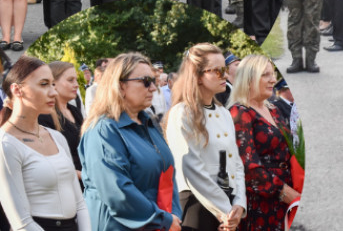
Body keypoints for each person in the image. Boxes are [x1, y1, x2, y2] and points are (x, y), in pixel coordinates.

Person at [78, 53, 182, 231]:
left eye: (154, 81)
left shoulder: (148, 123)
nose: (153, 88)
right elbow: (117, 191)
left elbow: (168, 174)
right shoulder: (103, 130)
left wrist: (173, 216)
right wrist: (163, 219)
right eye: (146, 81)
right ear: (120, 86)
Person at [0, 56, 89, 231]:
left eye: (52, 84)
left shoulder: (57, 137)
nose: (53, 92)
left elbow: (80, 205)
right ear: (17, 90)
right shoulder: (6, 144)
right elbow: (21, 222)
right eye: (43, 84)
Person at [165, 44, 246, 231]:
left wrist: (239, 204)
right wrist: (225, 211)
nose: (225, 76)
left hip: (229, 205)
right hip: (198, 207)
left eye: (224, 69)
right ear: (198, 76)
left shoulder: (224, 113)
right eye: (217, 71)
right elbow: (192, 170)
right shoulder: (182, 113)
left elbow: (235, 162)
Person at [228, 55, 297, 231]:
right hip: (262, 203)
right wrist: (287, 194)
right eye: (265, 75)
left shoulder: (273, 109)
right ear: (249, 80)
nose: (273, 79)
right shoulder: (239, 112)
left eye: (272, 74)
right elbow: (249, 167)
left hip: (287, 194)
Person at [39, 60, 86, 173]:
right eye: (70, 80)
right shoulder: (44, 116)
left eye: (75, 79)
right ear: (53, 83)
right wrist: (85, 176)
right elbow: (52, 163)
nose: (76, 84)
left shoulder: (74, 110)